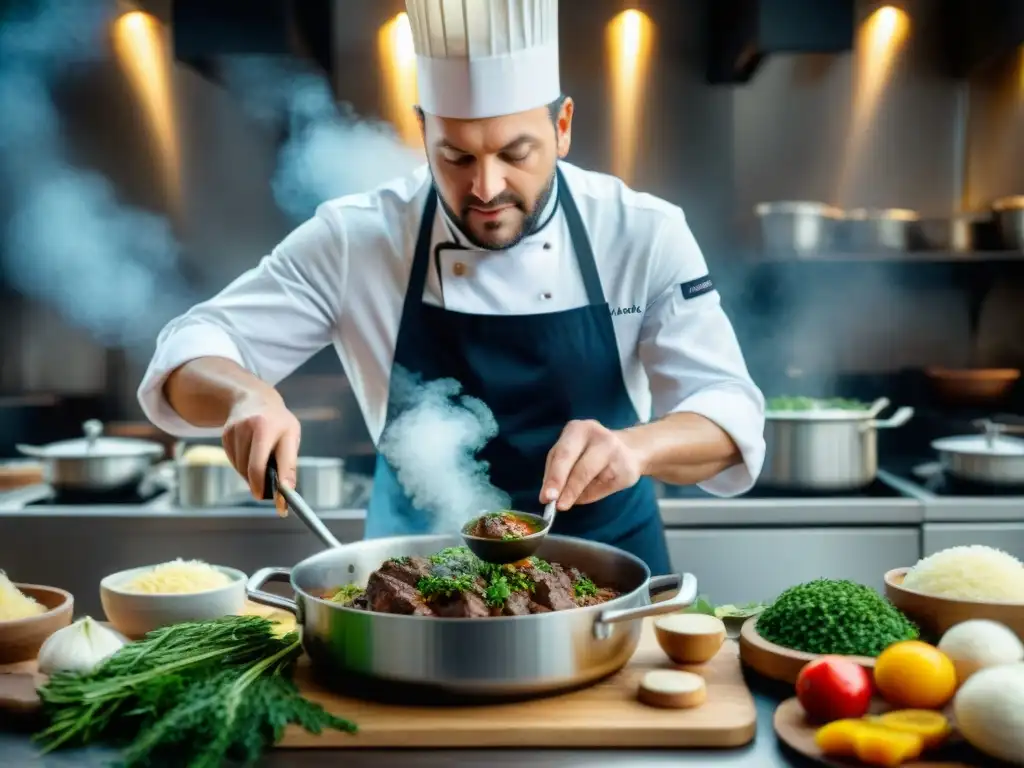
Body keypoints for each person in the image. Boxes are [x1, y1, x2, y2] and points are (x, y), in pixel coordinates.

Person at [137, 0, 766, 575]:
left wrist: (637, 448)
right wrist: (245, 394)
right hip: (413, 585)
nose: (486, 188)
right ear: (423, 131)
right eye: (457, 157)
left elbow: (730, 412)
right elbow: (190, 350)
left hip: (609, 576)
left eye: (516, 153)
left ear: (563, 126)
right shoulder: (359, 237)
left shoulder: (641, 231)